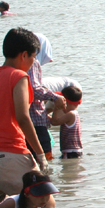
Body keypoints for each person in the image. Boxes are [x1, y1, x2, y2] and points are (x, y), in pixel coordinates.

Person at [0, 28, 50, 208]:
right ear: (24, 55)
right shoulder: (19, 77)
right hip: (9, 154)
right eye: (33, 57)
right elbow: (23, 117)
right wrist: (40, 154)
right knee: (45, 201)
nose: (33, 62)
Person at [27, 34, 64, 162]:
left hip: (24, 124)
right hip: (36, 125)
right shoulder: (33, 62)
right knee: (44, 164)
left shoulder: (15, 66)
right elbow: (34, 89)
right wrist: (55, 98)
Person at [49, 84, 83, 159]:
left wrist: (56, 108)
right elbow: (55, 120)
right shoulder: (74, 113)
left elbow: (54, 122)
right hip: (74, 151)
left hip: (70, 153)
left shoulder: (71, 114)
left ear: (65, 101)